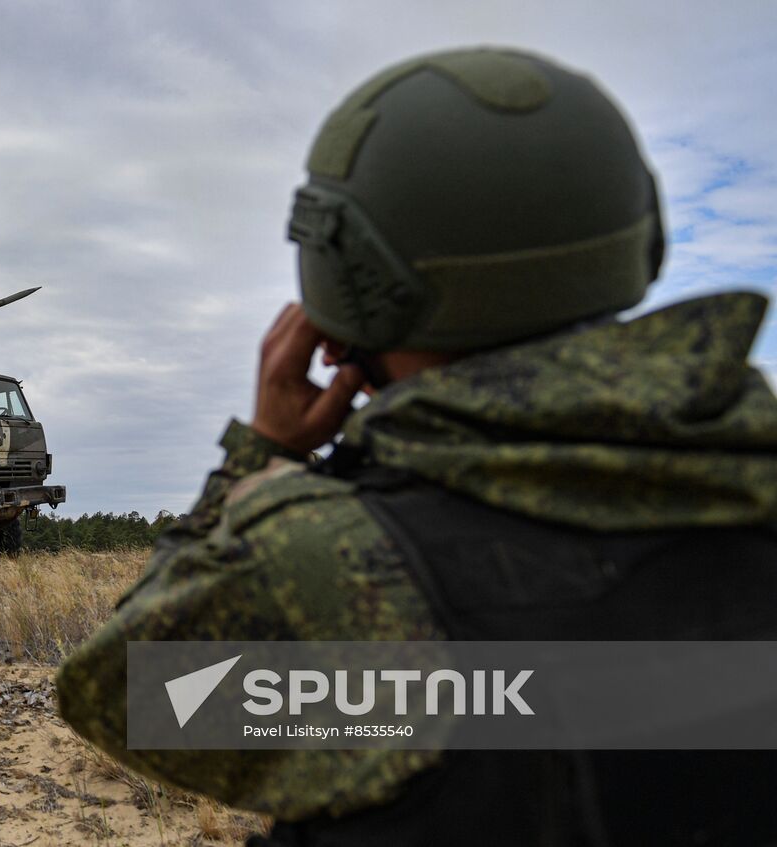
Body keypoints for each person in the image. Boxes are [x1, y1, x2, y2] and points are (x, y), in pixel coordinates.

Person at [56, 47, 777, 845]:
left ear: (351, 282)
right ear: (640, 237)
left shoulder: (337, 563)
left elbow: (129, 695)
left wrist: (258, 454)